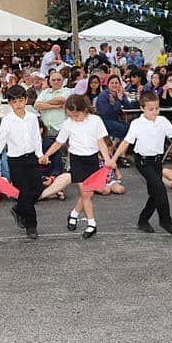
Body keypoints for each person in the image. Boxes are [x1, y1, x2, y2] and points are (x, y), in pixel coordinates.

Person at [111, 92, 172, 236]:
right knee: (160, 190)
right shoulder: (137, 124)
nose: (155, 112)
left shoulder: (162, 121)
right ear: (142, 108)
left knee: (154, 193)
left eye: (157, 108)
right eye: (151, 109)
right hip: (143, 162)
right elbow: (126, 142)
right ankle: (165, 221)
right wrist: (114, 159)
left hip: (157, 161)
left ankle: (143, 219)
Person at [41, 94, 114, 239]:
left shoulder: (95, 121)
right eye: (70, 115)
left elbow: (101, 142)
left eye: (76, 115)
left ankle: (73, 214)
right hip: (77, 160)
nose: (74, 118)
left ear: (85, 110)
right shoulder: (68, 124)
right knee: (86, 193)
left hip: (92, 159)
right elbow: (58, 142)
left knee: (89, 193)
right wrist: (47, 155)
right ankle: (92, 224)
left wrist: (107, 158)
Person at [0, 85, 44, 239]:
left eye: (21, 100)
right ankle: (31, 225)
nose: (18, 104)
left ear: (26, 100)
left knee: (37, 189)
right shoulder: (7, 121)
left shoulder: (33, 117)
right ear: (10, 104)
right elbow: (0, 142)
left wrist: (40, 154)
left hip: (31, 157)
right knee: (24, 192)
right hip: (15, 160)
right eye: (15, 102)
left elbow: (36, 138)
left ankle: (19, 209)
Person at [35, 71, 72, 138]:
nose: (56, 82)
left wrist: (44, 104)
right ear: (49, 81)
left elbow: (61, 99)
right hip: (45, 129)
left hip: (60, 129)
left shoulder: (68, 91)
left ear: (63, 81)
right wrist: (56, 106)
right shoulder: (45, 92)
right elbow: (37, 105)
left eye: (58, 80)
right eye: (53, 80)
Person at [95, 74, 133, 140]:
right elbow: (106, 112)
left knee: (131, 127)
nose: (114, 85)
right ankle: (116, 145)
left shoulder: (120, 93)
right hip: (104, 120)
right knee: (125, 128)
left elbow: (129, 107)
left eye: (116, 83)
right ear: (108, 84)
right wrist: (118, 101)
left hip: (116, 120)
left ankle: (116, 144)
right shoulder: (103, 95)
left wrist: (122, 99)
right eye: (112, 83)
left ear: (120, 84)